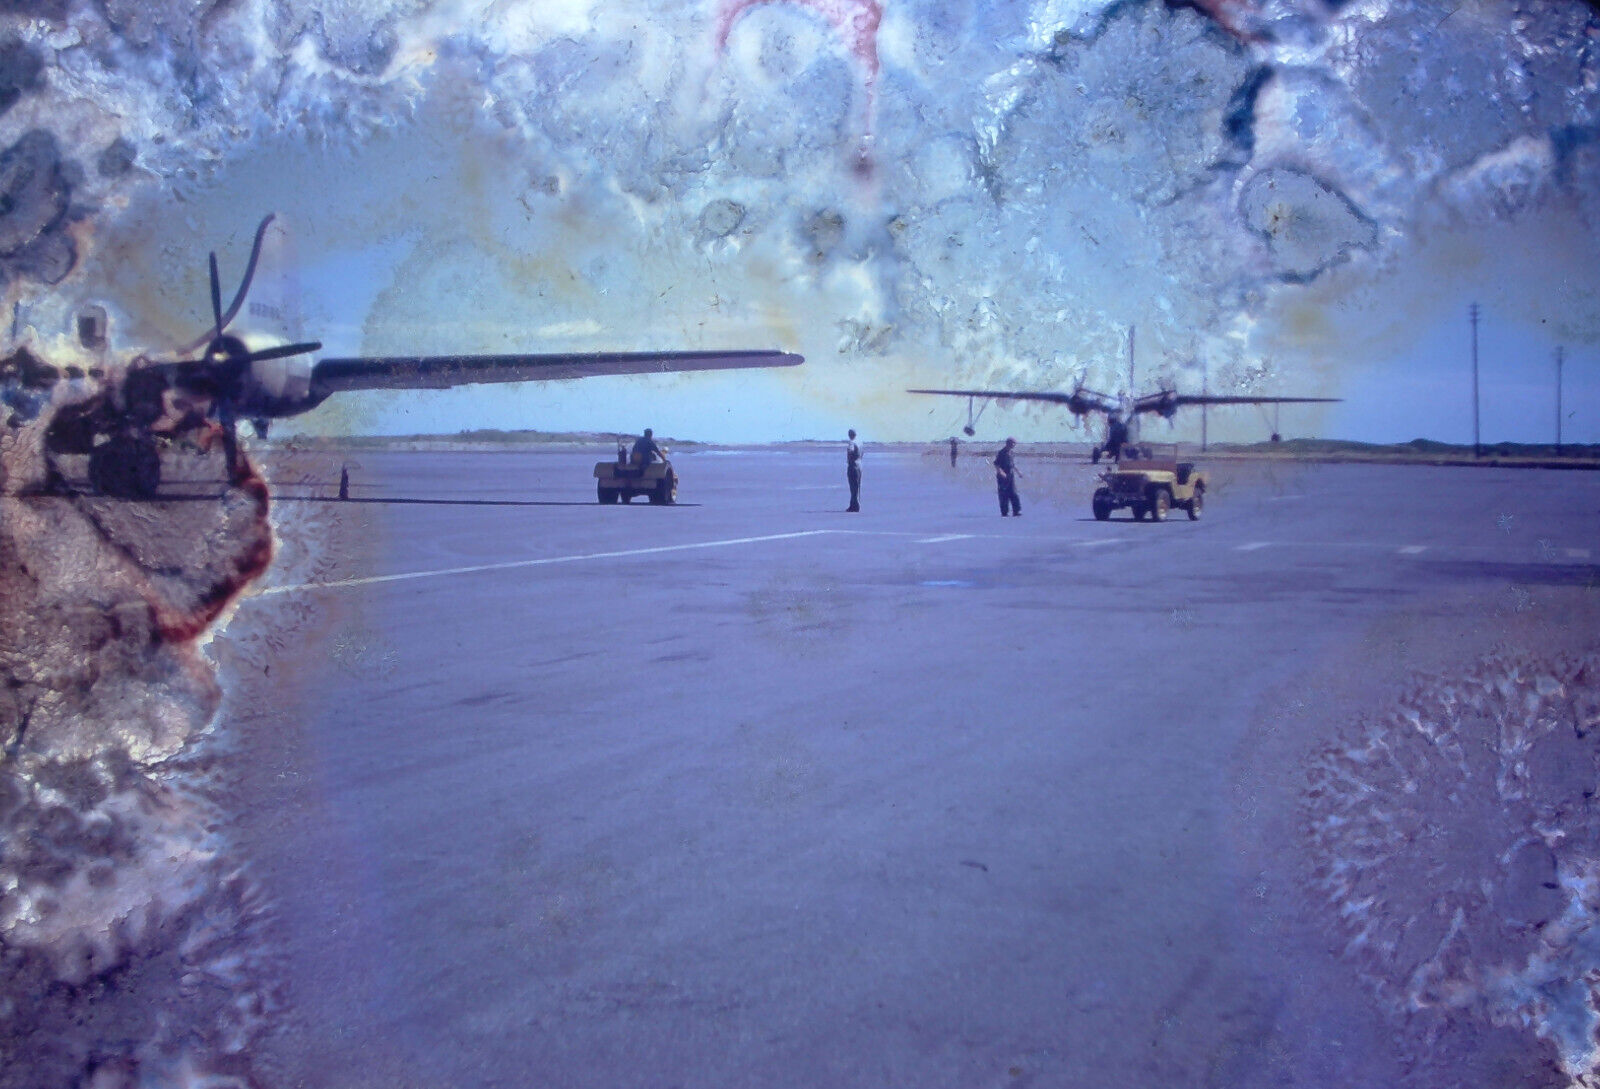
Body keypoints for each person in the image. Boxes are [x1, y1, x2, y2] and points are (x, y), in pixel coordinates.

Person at [994, 437, 1021, 516]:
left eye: (1014, 443)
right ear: (1008, 443)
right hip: (1002, 477)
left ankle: (1016, 511)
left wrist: (1018, 472)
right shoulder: (1002, 453)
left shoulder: (1011, 453)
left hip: (1011, 476)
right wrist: (1001, 472)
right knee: (1003, 494)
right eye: (1013, 443)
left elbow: (1012, 465)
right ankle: (1004, 512)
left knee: (1014, 493)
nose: (1014, 445)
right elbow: (996, 464)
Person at [845, 428, 862, 512]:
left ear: (850, 435)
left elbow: (850, 450)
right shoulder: (860, 442)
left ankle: (856, 506)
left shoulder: (852, 442)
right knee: (857, 486)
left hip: (853, 465)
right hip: (859, 465)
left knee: (853, 487)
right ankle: (853, 504)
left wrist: (849, 458)